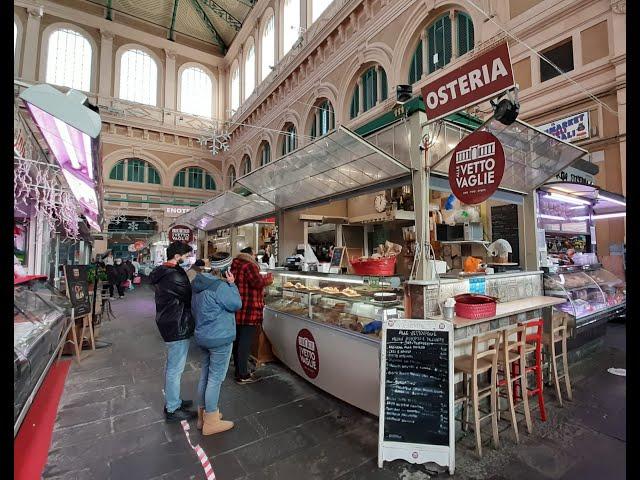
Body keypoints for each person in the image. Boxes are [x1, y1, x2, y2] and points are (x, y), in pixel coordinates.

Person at [191, 252, 241, 435]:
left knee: (205, 375)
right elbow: (236, 304)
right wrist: (232, 284)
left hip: (203, 335)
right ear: (225, 269)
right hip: (219, 338)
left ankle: (202, 417)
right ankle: (211, 422)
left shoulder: (197, 283)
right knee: (215, 379)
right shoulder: (220, 286)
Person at [149, 241, 197, 422]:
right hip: (176, 323)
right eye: (185, 256)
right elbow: (188, 295)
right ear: (177, 256)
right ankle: (172, 408)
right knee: (175, 369)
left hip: (168, 320)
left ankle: (174, 400)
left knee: (173, 366)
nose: (187, 259)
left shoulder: (164, 271)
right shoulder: (174, 275)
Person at [230, 246, 273, 384]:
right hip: (249, 309)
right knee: (245, 343)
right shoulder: (249, 266)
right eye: (254, 254)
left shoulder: (235, 265)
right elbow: (257, 282)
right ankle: (243, 375)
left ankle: (239, 369)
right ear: (250, 255)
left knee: (237, 342)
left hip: (237, 308)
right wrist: (270, 277)